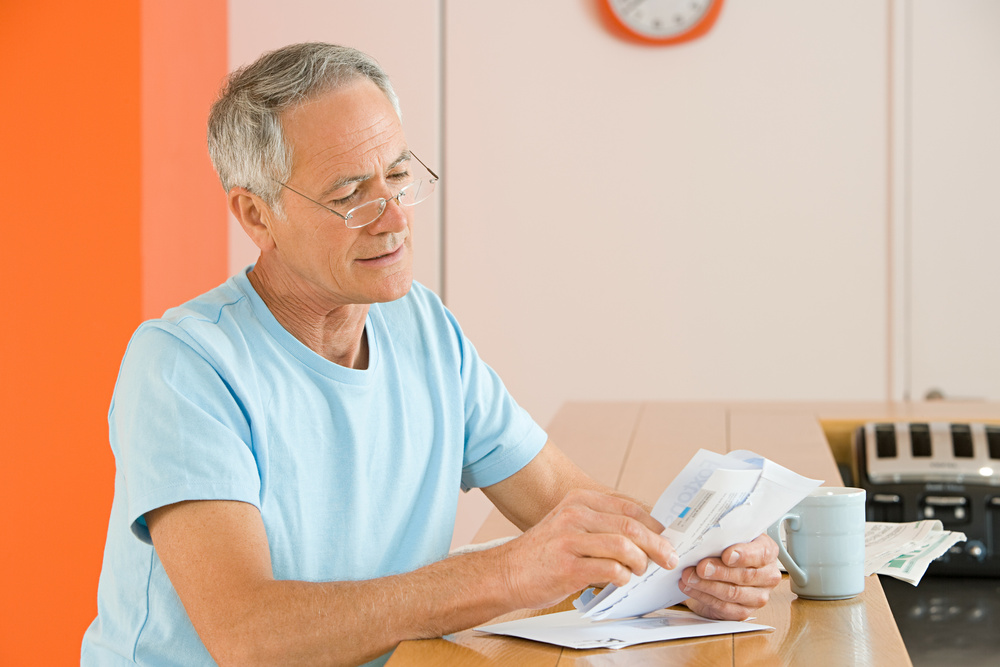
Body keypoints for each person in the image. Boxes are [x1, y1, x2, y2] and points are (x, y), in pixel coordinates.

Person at [81, 42, 780, 667]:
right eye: (350, 193)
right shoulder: (183, 366)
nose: (394, 216)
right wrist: (506, 574)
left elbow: (569, 505)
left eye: (397, 175)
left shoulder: (421, 327)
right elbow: (250, 635)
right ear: (257, 215)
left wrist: (692, 563)